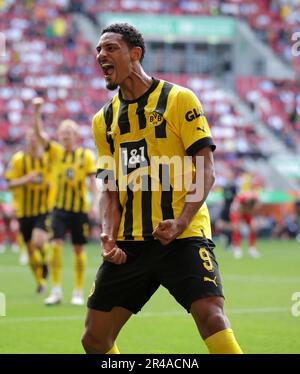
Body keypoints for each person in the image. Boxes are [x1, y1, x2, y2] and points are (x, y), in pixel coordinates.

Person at [81, 23, 243, 354]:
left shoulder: (178, 99)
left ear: (135, 54)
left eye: (110, 48)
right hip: (130, 243)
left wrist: (181, 221)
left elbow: (206, 168)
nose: (101, 55)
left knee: (211, 317)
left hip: (183, 236)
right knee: (94, 338)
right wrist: (108, 234)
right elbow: (109, 187)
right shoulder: (104, 120)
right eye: (99, 50)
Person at [32, 98, 98, 306]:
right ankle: (57, 290)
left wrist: (95, 204)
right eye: (62, 134)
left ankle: (78, 291)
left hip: (79, 210)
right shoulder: (55, 153)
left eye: (69, 134)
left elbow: (92, 183)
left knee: (79, 249)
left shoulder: (85, 156)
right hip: (59, 209)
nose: (65, 137)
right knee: (56, 246)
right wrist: (37, 111)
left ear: (76, 136)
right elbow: (38, 135)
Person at [4, 100, 51, 293]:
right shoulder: (18, 160)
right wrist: (26, 179)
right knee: (31, 248)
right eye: (29, 138)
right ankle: (40, 282)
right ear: (26, 141)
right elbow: (10, 183)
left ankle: (46, 262)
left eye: (35, 138)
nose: (33, 141)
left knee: (39, 241)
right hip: (25, 210)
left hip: (43, 209)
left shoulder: (47, 160)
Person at [230, 191, 261, 259]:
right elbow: (239, 211)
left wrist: (253, 221)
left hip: (246, 211)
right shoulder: (240, 201)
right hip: (236, 211)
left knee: (253, 228)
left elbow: (254, 211)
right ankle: (237, 249)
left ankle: (252, 249)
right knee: (236, 228)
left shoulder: (255, 200)